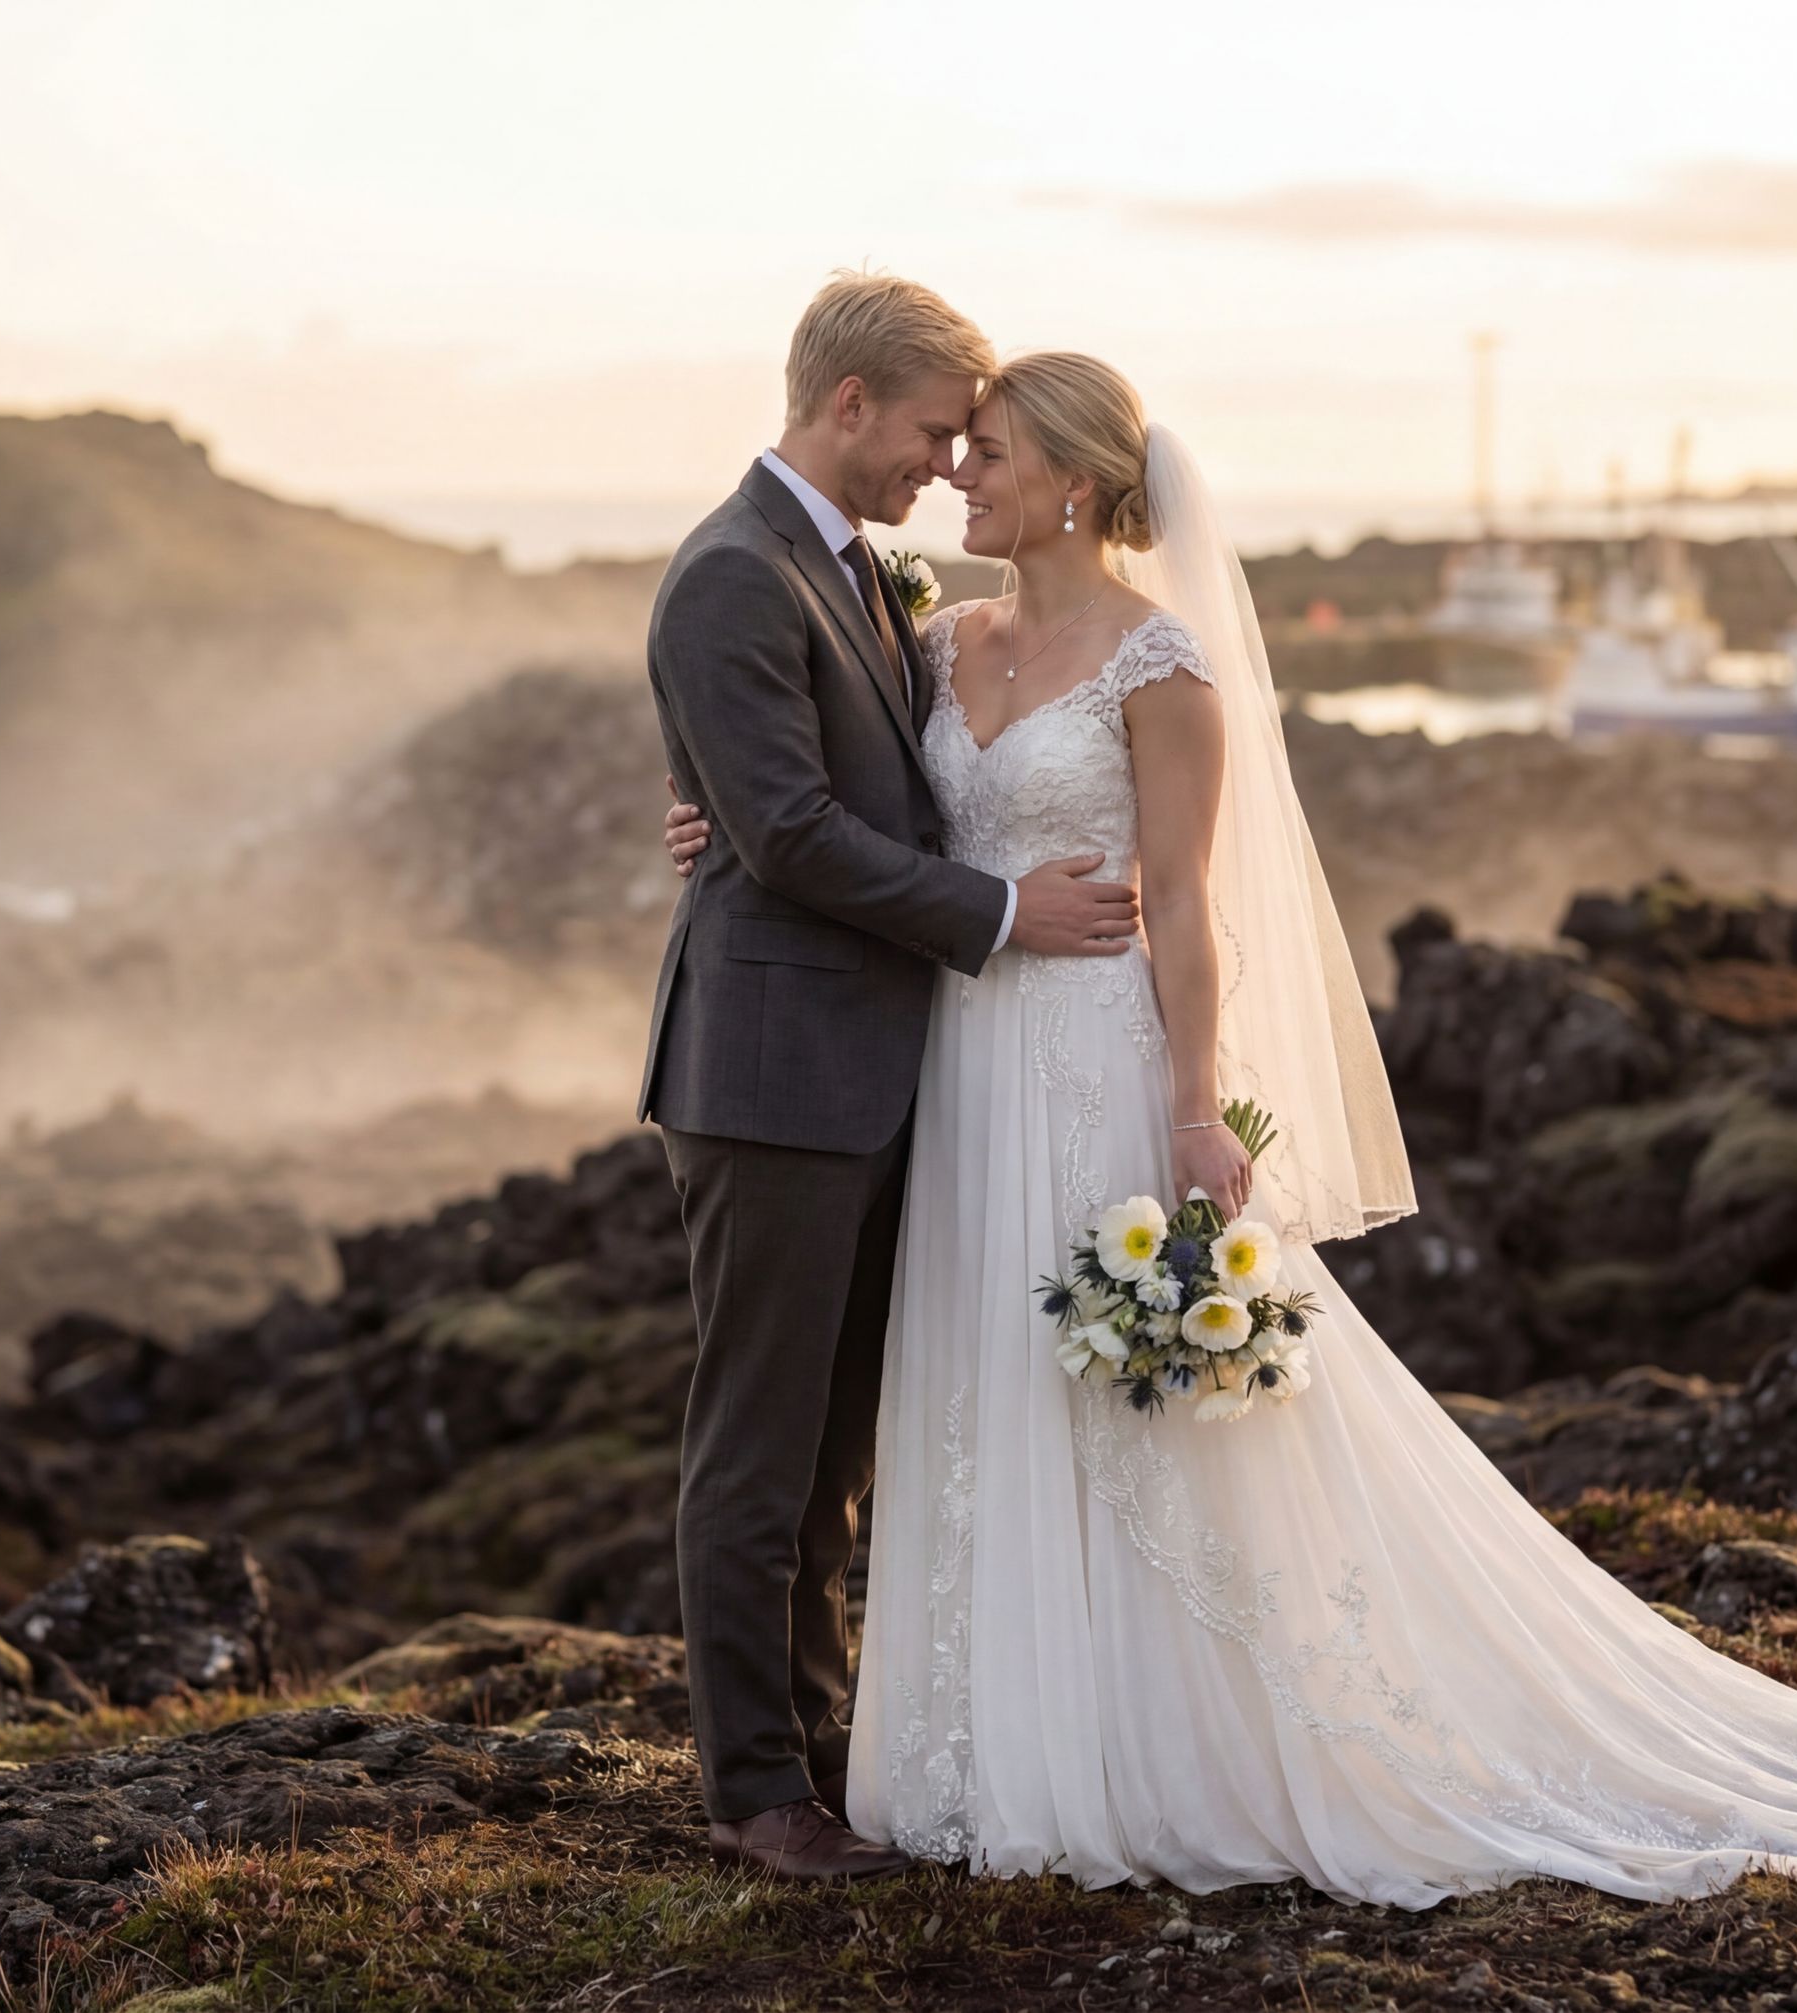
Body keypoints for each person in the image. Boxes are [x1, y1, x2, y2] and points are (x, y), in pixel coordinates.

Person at [659, 349, 1797, 1906]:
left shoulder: (1164, 665)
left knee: (1138, 1414)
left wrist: (1195, 1108)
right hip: (964, 1064)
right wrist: (714, 815)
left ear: (1076, 481)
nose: (957, 472)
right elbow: (819, 783)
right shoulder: (942, 634)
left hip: (1090, 1052)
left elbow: (1193, 909)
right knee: (980, 1386)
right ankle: (976, 1745)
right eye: (953, 442)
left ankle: (1162, 1740)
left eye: (986, 450)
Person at [640, 274, 1142, 1883]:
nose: (945, 464)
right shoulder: (731, 573)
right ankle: (752, 1789)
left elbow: (845, 796)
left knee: (838, 1446)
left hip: (875, 1071)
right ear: (849, 402)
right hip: (775, 1075)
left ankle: (815, 1748)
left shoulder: (869, 576)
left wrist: (718, 818)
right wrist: (1004, 912)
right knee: (760, 1441)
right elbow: (785, 831)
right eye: (934, 431)